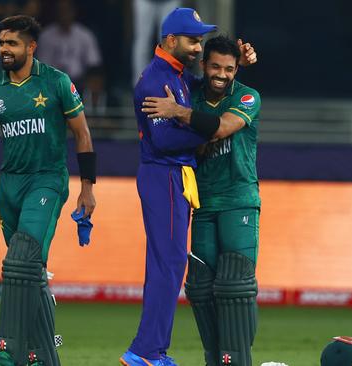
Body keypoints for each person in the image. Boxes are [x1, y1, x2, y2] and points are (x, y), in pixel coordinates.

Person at [0, 15, 96, 366]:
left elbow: (83, 134)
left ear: (31, 47)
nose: (4, 50)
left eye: (12, 43)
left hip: (47, 180)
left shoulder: (56, 82)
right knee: (31, 271)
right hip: (9, 185)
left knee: (19, 260)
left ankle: (7, 351)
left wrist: (87, 188)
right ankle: (42, 357)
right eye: (1, 43)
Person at [121, 8, 256, 366]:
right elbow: (164, 140)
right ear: (170, 40)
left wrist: (235, 65)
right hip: (165, 174)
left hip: (172, 176)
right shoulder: (157, 81)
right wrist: (203, 136)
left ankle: (149, 349)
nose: (198, 48)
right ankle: (147, 352)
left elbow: (209, 87)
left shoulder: (176, 76)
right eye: (192, 41)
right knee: (170, 262)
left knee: (167, 262)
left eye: (199, 41)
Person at [36, 0, 104, 110]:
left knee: (94, 83)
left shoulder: (85, 35)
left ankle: (92, 119)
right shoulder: (46, 36)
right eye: (61, 11)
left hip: (80, 84)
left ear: (73, 12)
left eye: (67, 11)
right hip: (54, 84)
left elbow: (94, 65)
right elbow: (42, 67)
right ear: (56, 13)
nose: (64, 14)